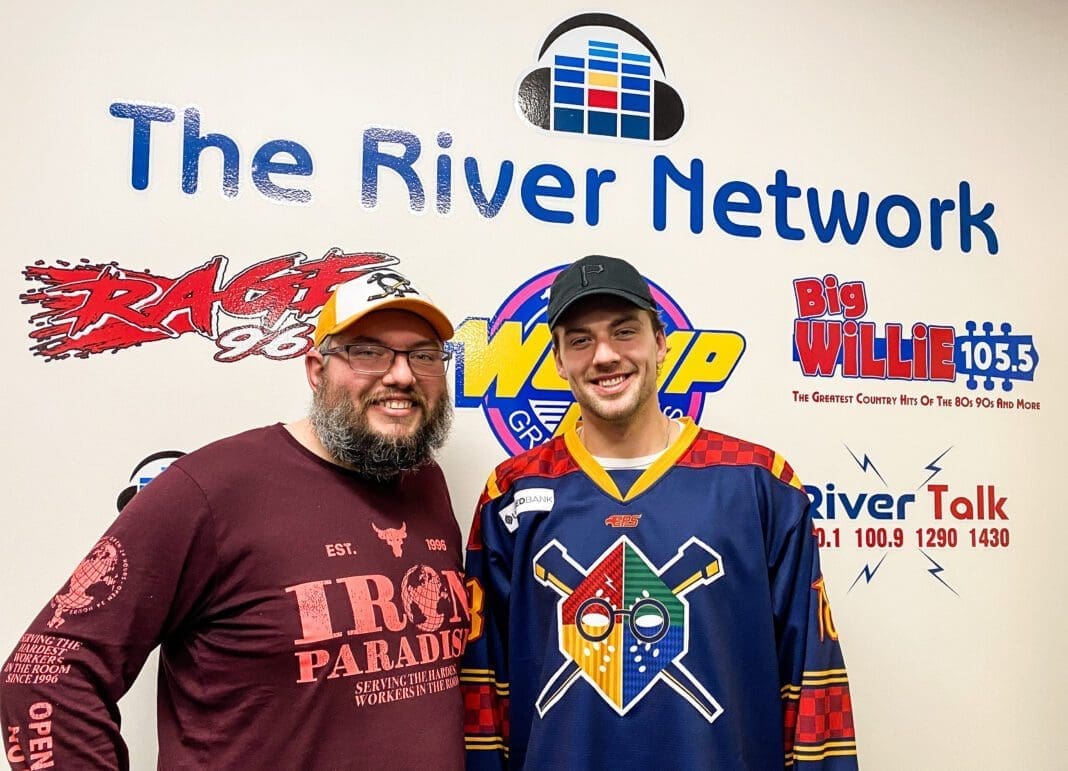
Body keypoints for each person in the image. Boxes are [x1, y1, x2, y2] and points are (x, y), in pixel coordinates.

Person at [0, 267, 470, 770]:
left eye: (423, 355)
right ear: (316, 369)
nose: (401, 374)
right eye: (367, 351)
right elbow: (43, 673)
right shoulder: (211, 489)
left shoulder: (424, 482)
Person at [460, 255, 858, 769]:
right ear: (558, 360)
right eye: (580, 340)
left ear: (661, 342)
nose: (604, 355)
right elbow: (483, 692)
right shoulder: (511, 494)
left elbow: (812, 680)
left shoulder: (759, 483)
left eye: (625, 332)